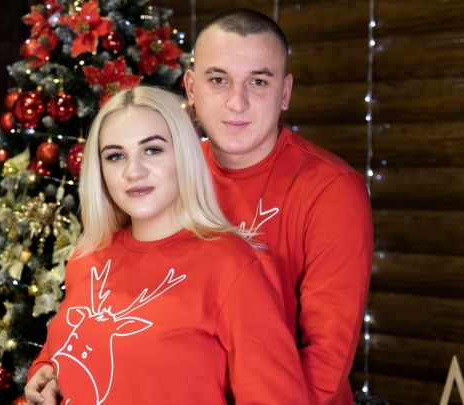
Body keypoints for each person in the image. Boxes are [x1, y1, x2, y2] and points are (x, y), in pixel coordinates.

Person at [24, 86, 308, 404]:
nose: (134, 171)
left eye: (152, 150)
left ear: (184, 155)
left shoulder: (234, 268)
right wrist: (45, 370)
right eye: (116, 156)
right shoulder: (88, 257)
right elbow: (69, 344)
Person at [183, 9, 373, 404]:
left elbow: (326, 358)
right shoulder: (170, 176)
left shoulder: (331, 189)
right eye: (218, 80)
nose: (237, 103)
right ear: (190, 88)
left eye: (258, 81)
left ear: (285, 92)